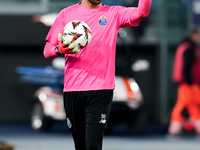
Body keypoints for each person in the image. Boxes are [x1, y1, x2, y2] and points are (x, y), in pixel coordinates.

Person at [43, 0, 151, 149]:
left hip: (101, 90)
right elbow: (47, 50)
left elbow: (142, 13)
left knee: (93, 144)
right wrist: (59, 50)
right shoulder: (66, 14)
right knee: (80, 145)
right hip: (73, 89)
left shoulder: (113, 13)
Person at [169, 29, 200, 135]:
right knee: (183, 103)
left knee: (193, 104)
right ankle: (175, 126)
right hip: (187, 82)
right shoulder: (189, 49)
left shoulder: (185, 47)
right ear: (193, 35)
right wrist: (191, 82)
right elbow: (187, 67)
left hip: (186, 81)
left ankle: (195, 125)